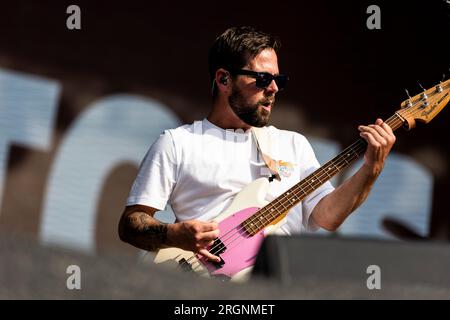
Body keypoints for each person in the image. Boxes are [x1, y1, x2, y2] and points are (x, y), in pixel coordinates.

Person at [118, 26, 395, 263]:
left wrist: (371, 170)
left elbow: (328, 217)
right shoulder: (177, 143)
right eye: (263, 79)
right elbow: (131, 224)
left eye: (278, 80)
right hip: (205, 286)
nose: (273, 88)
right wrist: (173, 234)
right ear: (224, 79)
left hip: (280, 287)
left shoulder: (292, 144)